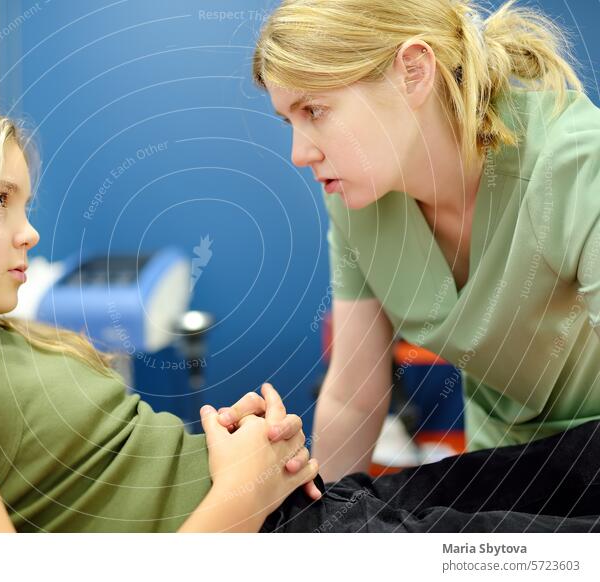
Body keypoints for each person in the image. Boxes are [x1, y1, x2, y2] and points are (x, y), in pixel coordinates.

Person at [0, 85, 320, 533]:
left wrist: (230, 443)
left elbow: (115, 477)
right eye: (0, 199)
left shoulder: (0, 340)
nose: (29, 233)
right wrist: (245, 488)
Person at [253, 0, 600, 487]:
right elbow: (354, 397)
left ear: (412, 72)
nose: (300, 153)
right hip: (498, 469)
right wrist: (324, 536)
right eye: (291, 121)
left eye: (315, 109)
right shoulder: (359, 201)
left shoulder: (578, 163)